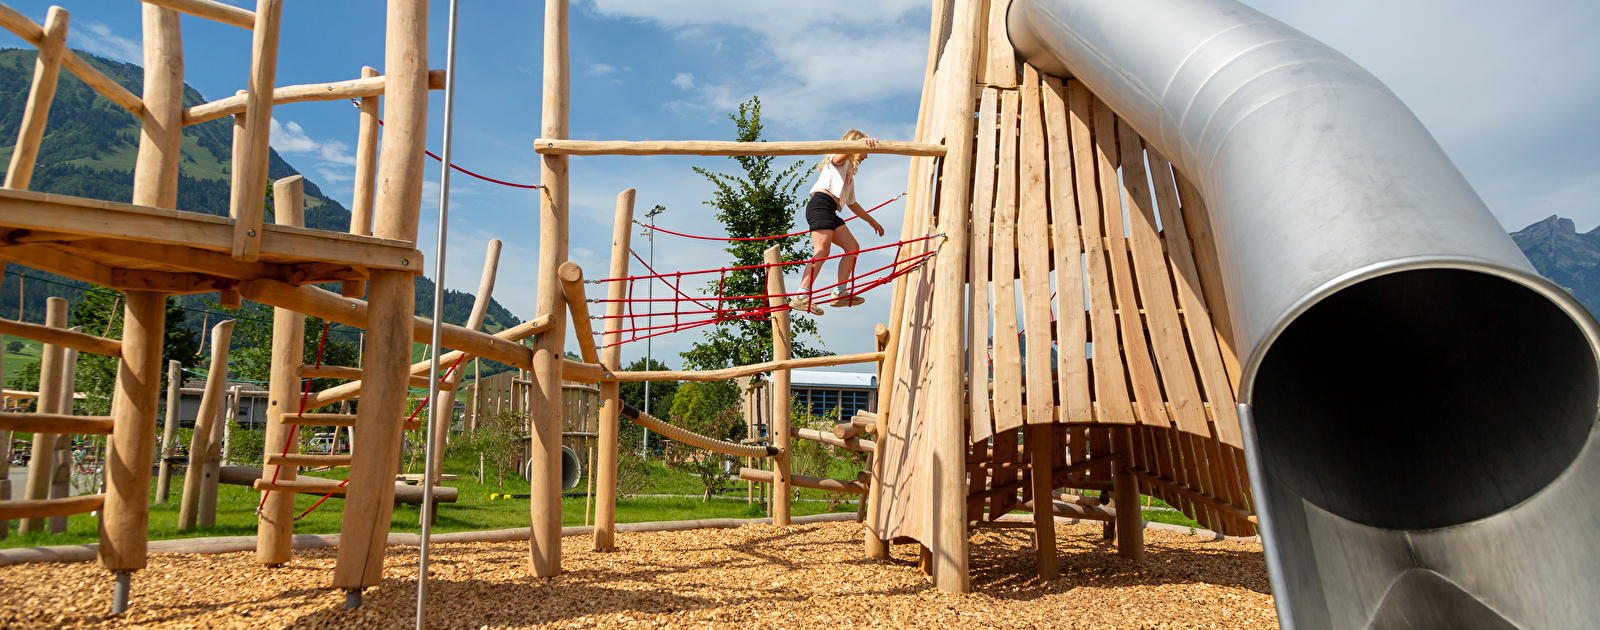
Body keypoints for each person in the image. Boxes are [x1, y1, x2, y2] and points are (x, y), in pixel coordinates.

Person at [791, 129, 885, 315]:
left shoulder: (849, 176)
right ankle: (801, 295)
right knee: (822, 249)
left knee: (852, 246)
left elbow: (853, 204)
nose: (867, 156)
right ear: (857, 145)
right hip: (820, 204)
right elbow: (840, 156)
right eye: (866, 151)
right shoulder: (839, 160)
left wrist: (872, 222)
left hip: (830, 210)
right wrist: (861, 143)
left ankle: (840, 292)